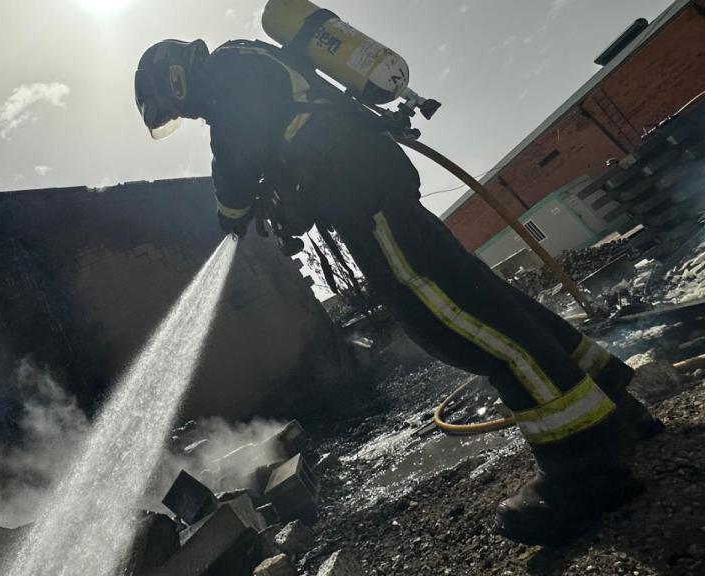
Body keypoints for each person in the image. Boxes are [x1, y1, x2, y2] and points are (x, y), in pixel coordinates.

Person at [134, 38, 665, 546]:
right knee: (483, 298)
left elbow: (233, 155)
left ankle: (585, 465)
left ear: (174, 78)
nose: (188, 116)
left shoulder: (222, 75)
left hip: (359, 196)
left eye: (171, 107)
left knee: (450, 320)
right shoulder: (246, 62)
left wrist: (231, 215)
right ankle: (615, 403)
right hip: (370, 183)